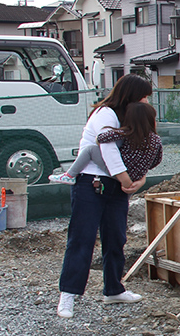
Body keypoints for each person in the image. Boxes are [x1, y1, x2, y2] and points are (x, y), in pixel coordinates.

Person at [56, 75, 155, 318]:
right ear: (130, 94)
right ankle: (68, 295)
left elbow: (143, 151)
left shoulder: (131, 116)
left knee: (116, 238)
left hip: (116, 186)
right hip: (92, 182)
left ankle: (114, 289)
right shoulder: (105, 114)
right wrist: (127, 180)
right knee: (83, 238)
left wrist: (140, 178)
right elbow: (107, 151)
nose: (145, 100)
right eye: (143, 95)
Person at [50, 102, 162, 186]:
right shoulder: (156, 139)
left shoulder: (128, 132)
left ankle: (69, 175)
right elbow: (157, 161)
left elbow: (102, 137)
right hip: (136, 177)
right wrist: (141, 167)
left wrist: (116, 131)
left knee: (90, 149)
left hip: (120, 173)